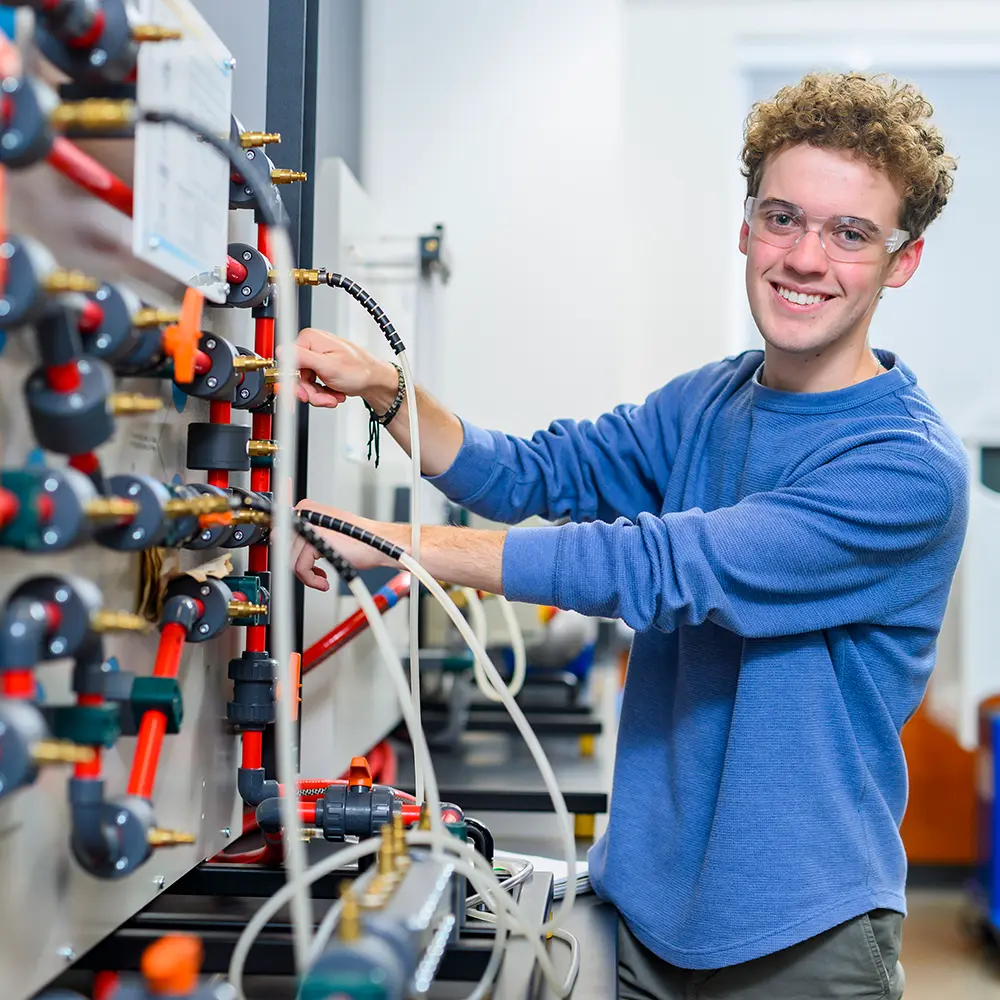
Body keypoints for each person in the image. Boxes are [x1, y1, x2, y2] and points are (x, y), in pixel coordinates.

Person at [290, 72, 967, 999]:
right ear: (745, 225)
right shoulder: (708, 400)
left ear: (902, 260)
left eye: (849, 233)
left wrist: (397, 542)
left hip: (801, 935)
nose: (806, 256)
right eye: (782, 218)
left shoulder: (906, 466)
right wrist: (387, 392)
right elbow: (537, 473)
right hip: (642, 914)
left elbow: (663, 568)